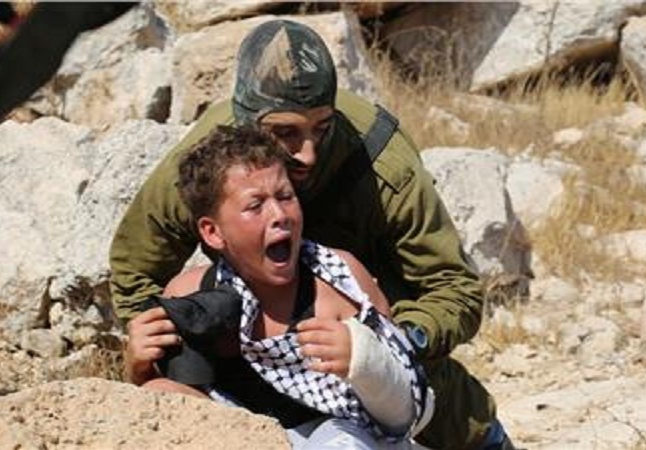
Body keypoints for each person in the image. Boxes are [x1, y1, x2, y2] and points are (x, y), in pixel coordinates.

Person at [111, 19, 512, 450]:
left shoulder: (381, 160)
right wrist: (162, 344)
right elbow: (137, 268)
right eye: (284, 133)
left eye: (322, 128)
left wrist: (389, 343)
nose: (308, 153)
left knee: (420, 391)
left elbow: (454, 289)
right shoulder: (209, 166)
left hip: (360, 304)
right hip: (247, 317)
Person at [127, 125, 433, 448]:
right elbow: (172, 416)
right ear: (213, 233)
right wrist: (139, 369)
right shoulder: (190, 297)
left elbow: (405, 413)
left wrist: (363, 359)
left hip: (351, 439)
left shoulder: (341, 284)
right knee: (159, 392)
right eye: (255, 205)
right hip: (243, 438)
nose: (279, 215)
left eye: (285, 197)